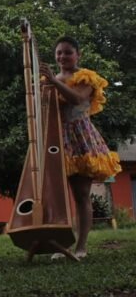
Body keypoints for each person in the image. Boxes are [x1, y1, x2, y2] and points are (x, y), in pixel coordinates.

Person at [39, 36, 121, 259]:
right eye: (58, 53)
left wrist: (53, 83)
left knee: (81, 193)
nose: (62, 57)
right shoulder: (50, 79)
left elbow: (77, 99)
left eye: (67, 52)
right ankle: (62, 244)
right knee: (57, 195)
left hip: (81, 138)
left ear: (78, 54)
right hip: (57, 140)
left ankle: (81, 246)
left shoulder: (86, 77)